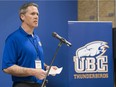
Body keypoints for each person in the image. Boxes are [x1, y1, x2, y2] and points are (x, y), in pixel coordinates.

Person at [2, 2, 57, 87]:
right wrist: (33, 72)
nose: (36, 17)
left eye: (37, 14)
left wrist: (47, 67)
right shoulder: (13, 38)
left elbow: (32, 60)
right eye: (32, 14)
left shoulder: (36, 37)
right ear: (22, 16)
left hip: (40, 84)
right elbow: (7, 67)